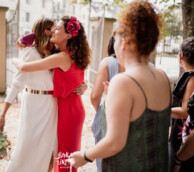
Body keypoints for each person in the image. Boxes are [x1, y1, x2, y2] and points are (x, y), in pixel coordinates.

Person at [70, 1, 171, 171]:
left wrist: (85, 156)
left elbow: (115, 142)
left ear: (123, 43)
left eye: (115, 39)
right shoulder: (162, 77)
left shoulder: (123, 82)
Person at [14, 16, 91, 172]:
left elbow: (23, 67)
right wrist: (84, 86)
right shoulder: (70, 53)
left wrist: (15, 61)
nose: (54, 31)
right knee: (61, 156)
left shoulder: (61, 57)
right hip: (68, 107)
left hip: (68, 110)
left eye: (58, 29)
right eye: (53, 28)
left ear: (69, 35)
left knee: (64, 158)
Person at [0, 18, 58, 172]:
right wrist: (3, 115)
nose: (55, 31)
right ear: (44, 31)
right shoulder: (30, 52)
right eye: (53, 29)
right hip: (33, 103)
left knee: (49, 148)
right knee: (28, 145)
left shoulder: (55, 52)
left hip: (52, 104)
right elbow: (16, 84)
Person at [90, 35, 125, 172]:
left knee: (105, 163)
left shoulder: (108, 63)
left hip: (109, 118)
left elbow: (94, 96)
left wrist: (100, 110)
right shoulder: (150, 67)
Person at [169, 36, 194, 172]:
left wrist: (164, 110)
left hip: (182, 137)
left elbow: (185, 112)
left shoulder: (191, 78)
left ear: (182, 55)